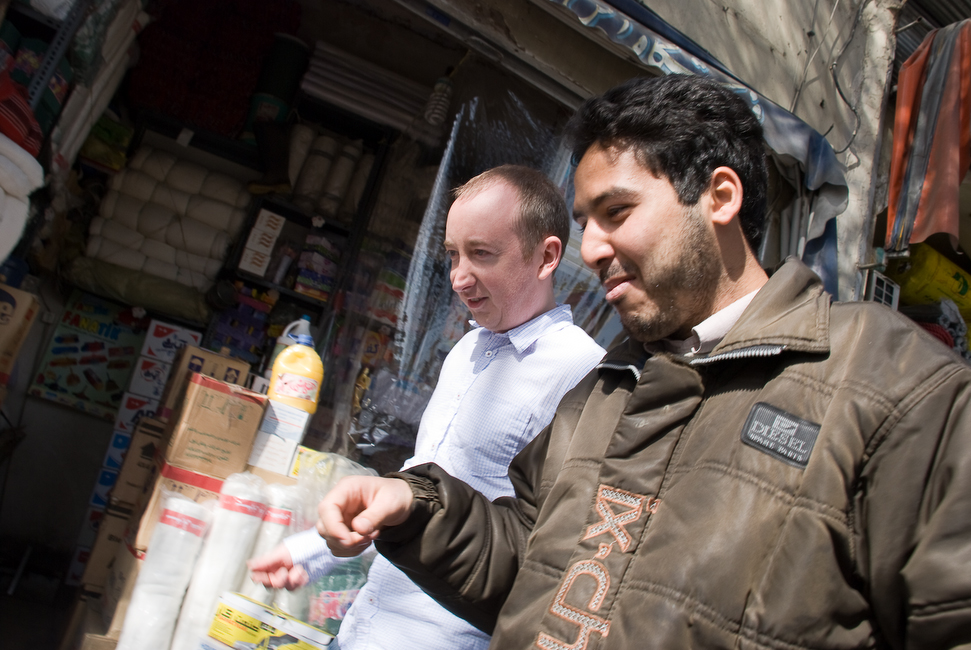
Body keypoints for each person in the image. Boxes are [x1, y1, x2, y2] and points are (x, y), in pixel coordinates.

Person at [314, 74, 971, 649]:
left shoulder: (887, 383)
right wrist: (414, 505)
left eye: (617, 212)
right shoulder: (607, 388)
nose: (590, 248)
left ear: (719, 197)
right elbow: (531, 563)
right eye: (586, 223)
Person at [247, 164, 606, 650]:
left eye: (481, 254)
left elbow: (551, 544)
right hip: (363, 626)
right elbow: (420, 487)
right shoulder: (467, 350)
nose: (458, 277)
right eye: (453, 254)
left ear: (546, 257)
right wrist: (313, 552)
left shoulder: (582, 372)